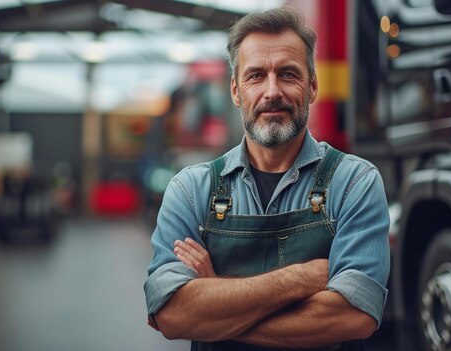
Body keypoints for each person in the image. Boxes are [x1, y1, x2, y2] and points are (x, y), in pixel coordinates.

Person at [144, 7, 390, 351]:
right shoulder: (190, 190)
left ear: (313, 87)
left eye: (288, 74)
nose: (272, 91)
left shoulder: (354, 183)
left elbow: (353, 316)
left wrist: (215, 304)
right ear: (235, 90)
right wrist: (300, 279)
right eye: (256, 75)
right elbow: (171, 313)